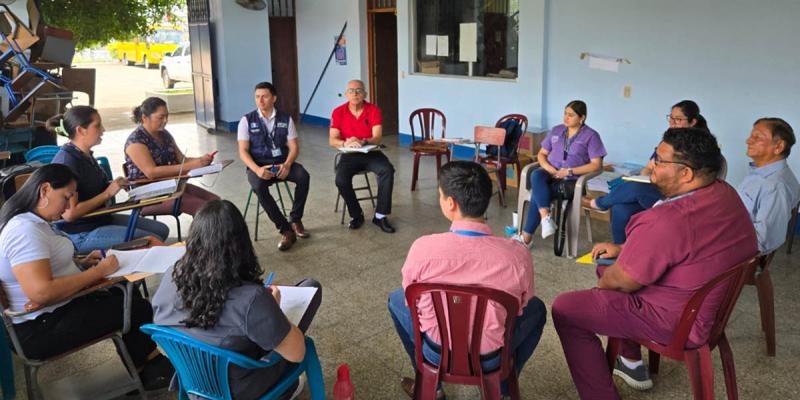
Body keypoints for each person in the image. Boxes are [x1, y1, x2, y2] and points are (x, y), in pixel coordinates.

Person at [551, 128, 758, 399]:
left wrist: (605, 285)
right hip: (709, 308)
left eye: (659, 161)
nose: (652, 166)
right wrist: (623, 249)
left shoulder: (668, 219)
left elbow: (622, 282)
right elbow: (684, 245)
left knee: (568, 308)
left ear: (686, 174)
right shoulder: (725, 193)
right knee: (608, 265)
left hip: (679, 321)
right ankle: (629, 357)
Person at [0, 164, 174, 391]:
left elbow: (43, 266)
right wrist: (97, 272)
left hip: (50, 314)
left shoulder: (33, 223)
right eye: (66, 197)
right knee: (135, 307)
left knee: (125, 293)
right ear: (44, 190)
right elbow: (42, 292)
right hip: (41, 328)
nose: (68, 206)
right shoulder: (24, 231)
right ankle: (147, 370)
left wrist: (80, 264)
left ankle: (145, 365)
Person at [388, 161, 547, 398]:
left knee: (396, 299)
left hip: (436, 353)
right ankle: (502, 387)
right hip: (491, 358)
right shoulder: (517, 255)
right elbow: (521, 306)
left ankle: (430, 384)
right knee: (537, 309)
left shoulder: (422, 248)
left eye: (440, 196)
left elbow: (411, 300)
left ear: (450, 203)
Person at [152, 200, 322, 400]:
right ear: (241, 244)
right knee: (311, 288)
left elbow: (161, 324)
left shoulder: (171, 275)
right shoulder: (251, 299)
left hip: (192, 381)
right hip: (238, 390)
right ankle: (285, 390)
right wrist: (275, 310)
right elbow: (297, 353)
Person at [582, 100, 708, 243]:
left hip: (677, 198)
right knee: (621, 209)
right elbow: (647, 168)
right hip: (656, 190)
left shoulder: (699, 147)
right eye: (671, 118)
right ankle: (621, 251)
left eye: (678, 120)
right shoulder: (667, 142)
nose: (672, 123)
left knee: (636, 188)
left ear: (692, 122)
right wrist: (649, 175)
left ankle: (599, 204)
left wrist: (660, 175)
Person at [49, 106, 169, 253]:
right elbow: (70, 214)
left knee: (161, 230)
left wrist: (114, 184)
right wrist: (108, 193)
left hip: (100, 219)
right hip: (80, 232)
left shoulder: (84, 155)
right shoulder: (68, 162)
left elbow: (89, 187)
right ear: (81, 130)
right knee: (152, 240)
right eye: (97, 125)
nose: (103, 130)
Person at [512, 100, 606, 247]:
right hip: (550, 174)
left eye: (571, 115)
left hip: (571, 181)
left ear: (582, 118)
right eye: (565, 113)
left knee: (538, 192)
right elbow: (542, 154)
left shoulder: (591, 136)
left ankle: (527, 237)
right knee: (536, 174)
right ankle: (545, 219)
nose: (566, 118)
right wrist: (549, 168)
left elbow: (596, 164)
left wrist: (569, 171)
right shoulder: (556, 130)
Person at [238, 82, 311, 251]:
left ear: (274, 98)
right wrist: (257, 169)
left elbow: (294, 147)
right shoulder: (246, 120)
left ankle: (295, 219)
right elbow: (243, 151)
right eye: (257, 97)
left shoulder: (286, 119)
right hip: (259, 165)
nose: (260, 100)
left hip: (281, 163)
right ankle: (286, 230)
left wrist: (287, 165)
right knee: (259, 186)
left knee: (303, 176)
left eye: (264, 96)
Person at [124, 97, 220, 217]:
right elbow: (151, 172)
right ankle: (204, 229)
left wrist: (201, 160)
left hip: (171, 187)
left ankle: (210, 228)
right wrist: (191, 165)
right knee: (207, 210)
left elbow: (182, 160)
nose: (165, 120)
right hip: (149, 195)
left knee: (217, 202)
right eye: (160, 117)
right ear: (144, 117)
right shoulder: (135, 141)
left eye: (167, 116)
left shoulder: (164, 134)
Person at [329, 79, 396, 233]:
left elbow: (377, 137)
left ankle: (380, 216)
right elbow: (332, 140)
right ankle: (356, 215)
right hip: (349, 155)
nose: (355, 94)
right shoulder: (338, 112)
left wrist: (363, 141)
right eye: (351, 91)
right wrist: (346, 143)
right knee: (341, 179)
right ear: (346, 94)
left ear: (365, 94)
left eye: (359, 90)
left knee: (387, 170)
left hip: (371, 153)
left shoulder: (373, 110)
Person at [737, 118, 800, 254]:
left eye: (757, 137)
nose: (748, 141)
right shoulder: (761, 173)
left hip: (737, 249)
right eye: (751, 136)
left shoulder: (776, 186)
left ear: (778, 147)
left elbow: (763, 241)